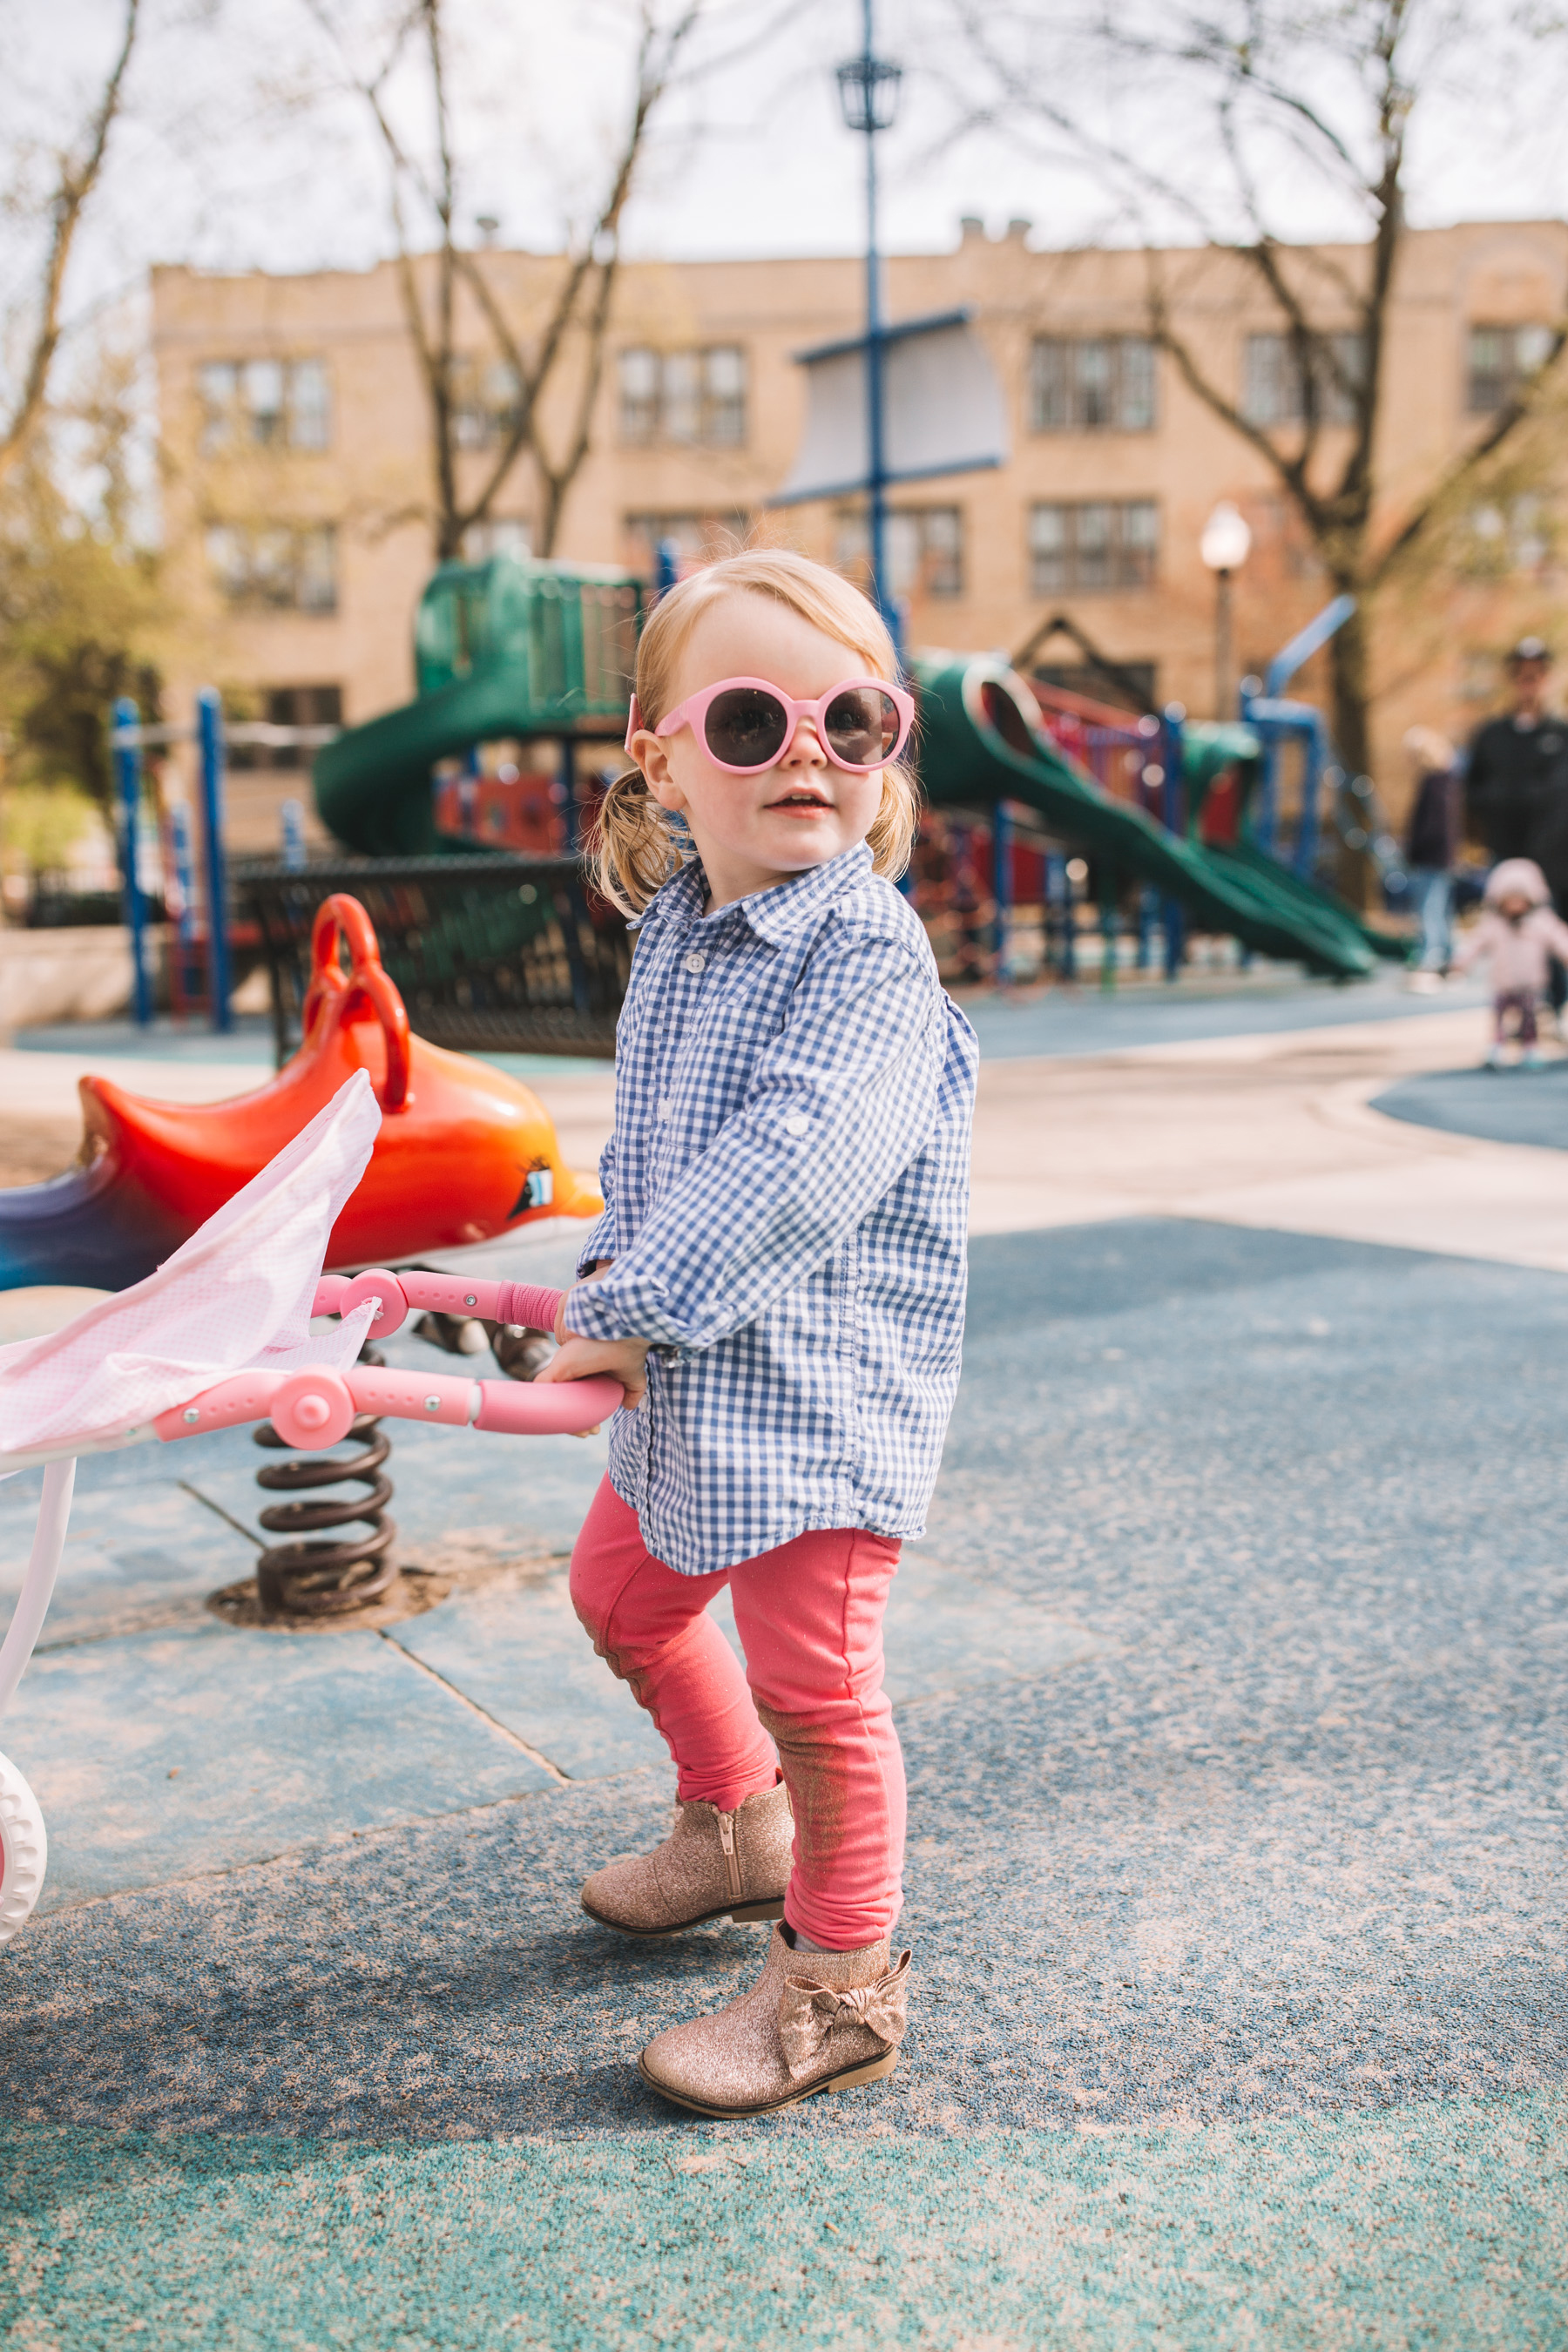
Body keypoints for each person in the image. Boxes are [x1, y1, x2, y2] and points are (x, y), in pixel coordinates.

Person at [534, 548, 977, 2119]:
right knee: (621, 1594)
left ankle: (841, 1986)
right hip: (700, 1385)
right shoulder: (678, 935)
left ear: (883, 750)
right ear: (660, 759)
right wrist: (603, 1274)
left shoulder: (867, 958)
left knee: (821, 1691)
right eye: (749, 721)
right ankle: (736, 1826)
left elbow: (798, 1159)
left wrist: (620, 1307)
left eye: (851, 719)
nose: (808, 750)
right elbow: (654, 1150)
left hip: (822, 1404)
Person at [1464, 638, 1568, 1017]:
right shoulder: (1491, 735)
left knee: (1553, 929)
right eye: (1522, 676)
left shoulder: (1561, 734)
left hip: (1554, 858)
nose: (1530, 683)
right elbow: (1471, 790)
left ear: (1547, 679)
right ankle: (1513, 1011)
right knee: (1506, 932)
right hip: (1506, 851)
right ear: (1513, 680)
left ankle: (1559, 1005)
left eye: (1536, 676)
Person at [1450, 856, 1568, 1068]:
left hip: (1531, 984)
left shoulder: (1541, 921)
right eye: (1509, 899)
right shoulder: (1494, 924)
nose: (1514, 905)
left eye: (1519, 899)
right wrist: (1461, 962)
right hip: (1503, 983)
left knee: (1530, 1017)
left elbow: (1559, 938)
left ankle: (1530, 1048)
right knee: (1500, 1017)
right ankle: (1497, 1047)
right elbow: (1475, 943)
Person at [1402, 727, 1461, 983]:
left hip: (1430, 856)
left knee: (1429, 908)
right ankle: (1448, 956)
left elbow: (1433, 825)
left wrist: (1413, 847)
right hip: (1442, 855)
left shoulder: (1435, 782)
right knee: (1442, 908)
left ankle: (1431, 958)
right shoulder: (1447, 781)